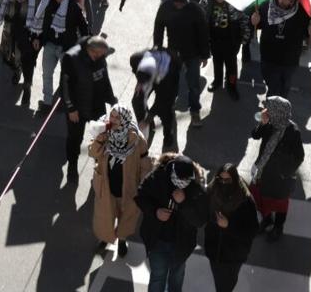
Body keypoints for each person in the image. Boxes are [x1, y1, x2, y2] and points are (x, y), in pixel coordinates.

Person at [135, 154, 208, 292]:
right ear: (172, 170)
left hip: (181, 243)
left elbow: (200, 220)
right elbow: (141, 197)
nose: (182, 182)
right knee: (158, 277)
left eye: (185, 180)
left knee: (176, 277)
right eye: (179, 178)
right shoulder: (158, 177)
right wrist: (156, 212)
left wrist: (184, 203)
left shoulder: (196, 188)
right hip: (157, 240)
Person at [87, 103, 150, 258]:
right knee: (105, 216)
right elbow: (92, 153)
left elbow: (145, 164)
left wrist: (143, 185)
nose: (113, 120)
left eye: (117, 117)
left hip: (128, 187)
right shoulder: (104, 133)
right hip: (106, 185)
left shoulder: (137, 139)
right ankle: (105, 239)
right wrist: (100, 138)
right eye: (112, 116)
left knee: (127, 216)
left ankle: (122, 240)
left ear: (125, 119)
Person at [60, 35, 116, 183]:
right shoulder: (71, 58)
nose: (101, 57)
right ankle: (72, 165)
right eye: (99, 54)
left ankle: (99, 167)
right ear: (91, 50)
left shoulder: (100, 57)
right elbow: (65, 86)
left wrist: (111, 99)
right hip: (77, 109)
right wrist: (71, 108)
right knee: (74, 139)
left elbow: (104, 79)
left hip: (96, 106)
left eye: (103, 55)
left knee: (102, 137)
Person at [248, 95, 304, 240]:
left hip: (279, 177)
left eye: (268, 109)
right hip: (263, 170)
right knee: (261, 198)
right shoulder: (270, 124)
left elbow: (299, 156)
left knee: (279, 203)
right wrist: (262, 123)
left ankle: (278, 227)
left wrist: (284, 173)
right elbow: (255, 135)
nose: (265, 111)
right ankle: (266, 220)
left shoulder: (293, 132)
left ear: (278, 112)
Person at [152, 0, 210, 125]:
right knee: (171, 82)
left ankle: (195, 111)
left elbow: (203, 33)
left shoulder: (196, 10)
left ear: (186, 0)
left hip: (193, 53)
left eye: (181, 3)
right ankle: (169, 107)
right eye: (176, 3)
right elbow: (158, 27)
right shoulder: (165, 8)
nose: (178, 5)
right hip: (173, 51)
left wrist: (204, 55)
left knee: (193, 85)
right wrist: (158, 48)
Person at [251, 0, 311, 99]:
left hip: (290, 61)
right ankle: (272, 107)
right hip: (269, 59)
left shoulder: (301, 11)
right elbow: (255, 26)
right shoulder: (265, 7)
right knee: (273, 88)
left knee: (285, 87)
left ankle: (280, 106)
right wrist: (253, 22)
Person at [32, 0, 88, 107]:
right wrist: (37, 37)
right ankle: (47, 102)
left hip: (66, 47)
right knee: (47, 74)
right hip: (50, 44)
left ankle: (64, 102)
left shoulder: (73, 7)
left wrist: (84, 45)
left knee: (66, 77)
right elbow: (41, 22)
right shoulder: (47, 2)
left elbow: (83, 27)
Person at [203, 164, 258, 292]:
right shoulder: (212, 192)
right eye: (220, 179)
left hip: (234, 255)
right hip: (214, 251)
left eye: (227, 180)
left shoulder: (245, 201)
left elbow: (252, 230)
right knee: (219, 281)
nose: (223, 183)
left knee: (228, 282)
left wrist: (229, 225)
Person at [0, 0, 44, 89]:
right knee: (8, 55)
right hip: (9, 30)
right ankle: (16, 69)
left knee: (23, 56)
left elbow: (41, 18)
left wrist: (37, 37)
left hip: (26, 34)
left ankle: (23, 75)